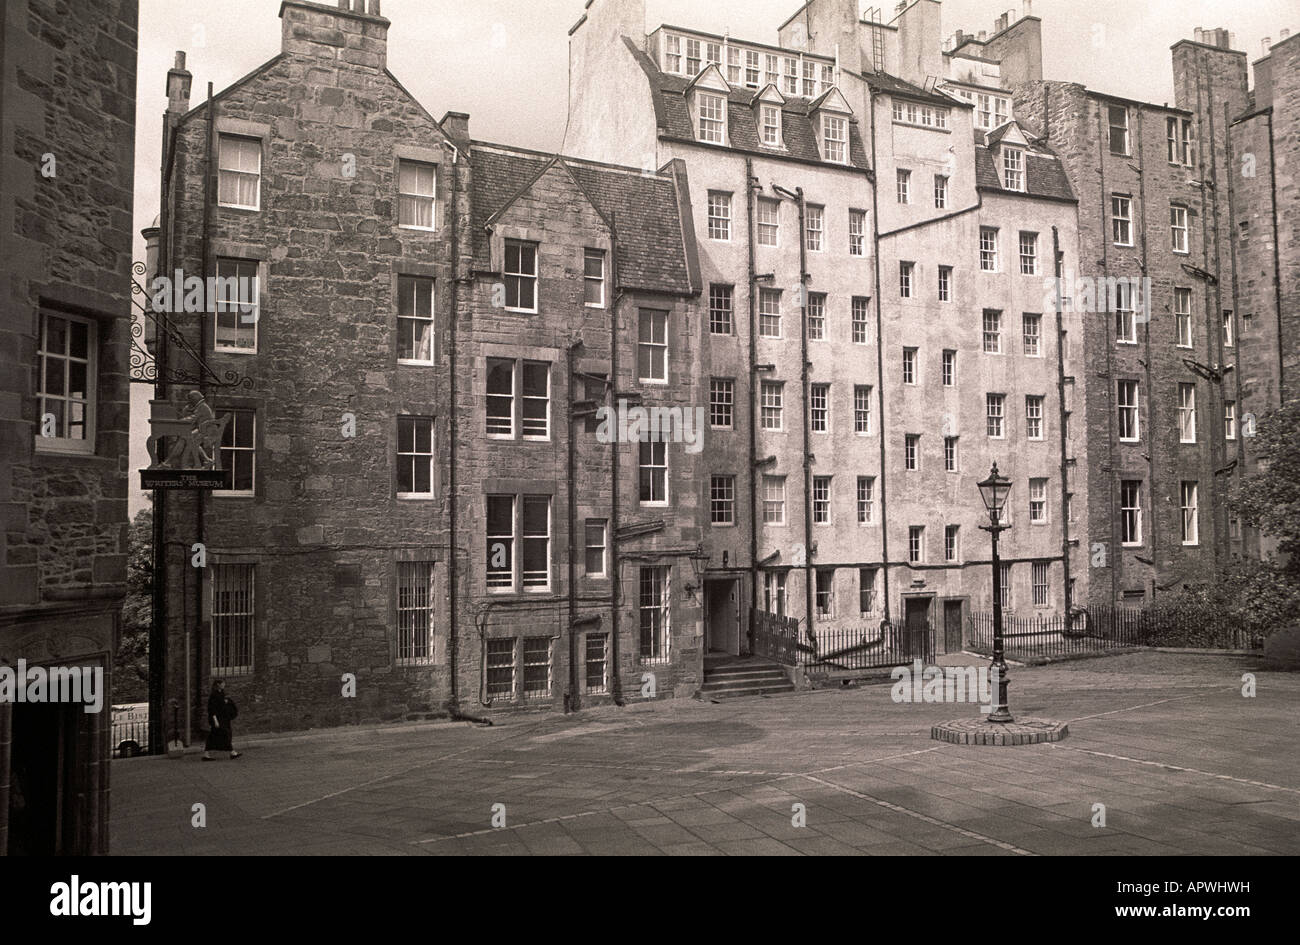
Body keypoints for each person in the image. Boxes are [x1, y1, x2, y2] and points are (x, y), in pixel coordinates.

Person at [202, 679, 241, 761]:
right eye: (222, 683)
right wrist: (215, 721)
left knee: (215, 736)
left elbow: (222, 704)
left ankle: (206, 754)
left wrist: (226, 702)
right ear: (218, 684)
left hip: (224, 719)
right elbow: (212, 709)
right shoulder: (214, 695)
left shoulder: (222, 693)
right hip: (218, 719)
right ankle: (232, 752)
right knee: (225, 733)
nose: (224, 684)